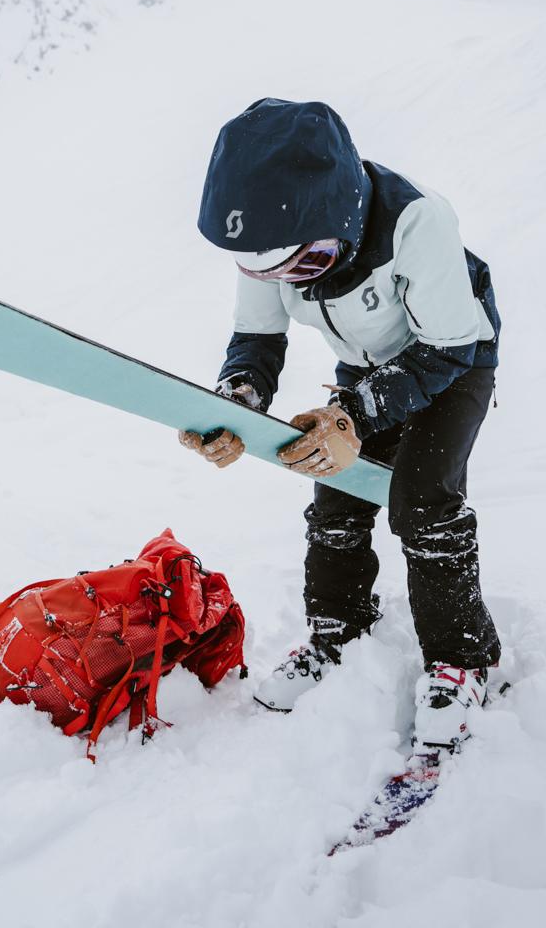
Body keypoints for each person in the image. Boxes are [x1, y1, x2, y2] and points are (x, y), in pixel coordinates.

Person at [179, 97, 501, 754]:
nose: (287, 281)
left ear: (338, 216)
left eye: (302, 265)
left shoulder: (417, 221)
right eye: (268, 270)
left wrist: (350, 414)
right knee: (337, 496)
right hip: (364, 365)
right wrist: (238, 398)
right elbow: (257, 336)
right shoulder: (275, 241)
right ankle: (337, 632)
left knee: (424, 502)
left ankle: (462, 661)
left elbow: (445, 349)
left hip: (452, 358)